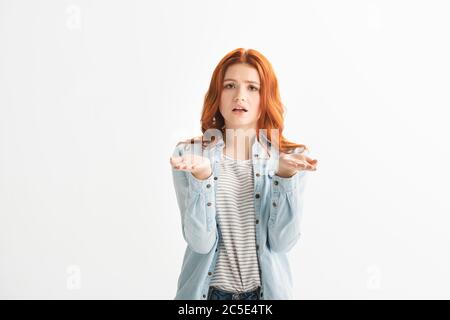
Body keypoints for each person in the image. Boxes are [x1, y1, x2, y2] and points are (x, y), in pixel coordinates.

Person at [169, 48, 318, 300]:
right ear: (218, 95)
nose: (239, 96)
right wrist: (202, 178)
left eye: (252, 87)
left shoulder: (289, 157)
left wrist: (285, 175)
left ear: (265, 96)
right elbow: (200, 242)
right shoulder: (190, 153)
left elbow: (283, 242)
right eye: (229, 86)